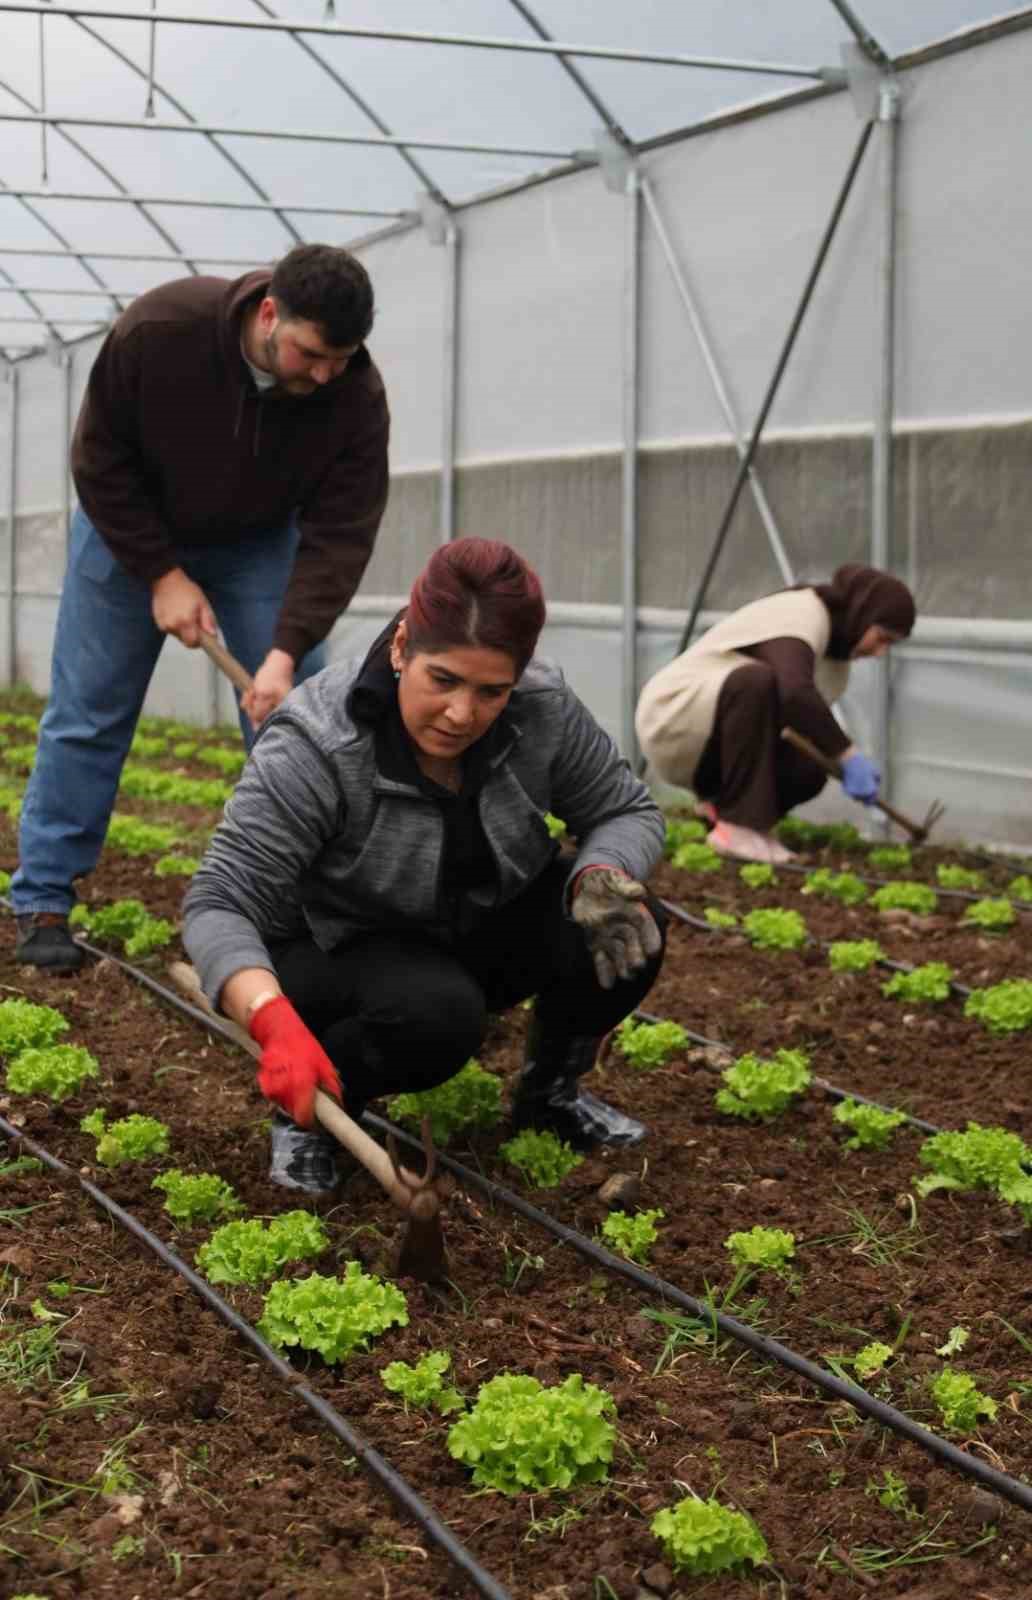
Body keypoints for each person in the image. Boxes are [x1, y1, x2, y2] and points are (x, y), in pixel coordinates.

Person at [182, 538, 667, 1195]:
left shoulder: (541, 709)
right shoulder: (319, 741)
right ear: (403, 645)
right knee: (435, 1017)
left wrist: (600, 873)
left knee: (625, 919)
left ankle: (549, 1095)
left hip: (463, 924)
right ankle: (313, 1117)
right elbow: (218, 901)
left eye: (491, 690)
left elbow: (625, 809)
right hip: (337, 947)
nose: (462, 714)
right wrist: (270, 1018)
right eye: (443, 681)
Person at [12, 244, 390, 974]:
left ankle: (309, 900)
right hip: (127, 535)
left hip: (256, 544)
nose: (323, 374)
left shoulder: (353, 394)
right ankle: (44, 895)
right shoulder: (164, 329)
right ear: (270, 312)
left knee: (298, 721)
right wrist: (161, 573)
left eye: (339, 359)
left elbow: (341, 533)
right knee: (89, 711)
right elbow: (98, 459)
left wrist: (284, 653)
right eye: (311, 354)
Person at [635, 564, 916, 864]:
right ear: (862, 612)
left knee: (811, 764)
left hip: (712, 748)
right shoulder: (803, 612)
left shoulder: (836, 669)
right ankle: (737, 826)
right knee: (756, 682)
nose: (880, 652)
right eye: (882, 637)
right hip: (673, 719)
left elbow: (798, 723)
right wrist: (848, 755)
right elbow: (793, 690)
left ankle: (738, 820)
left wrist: (836, 759)